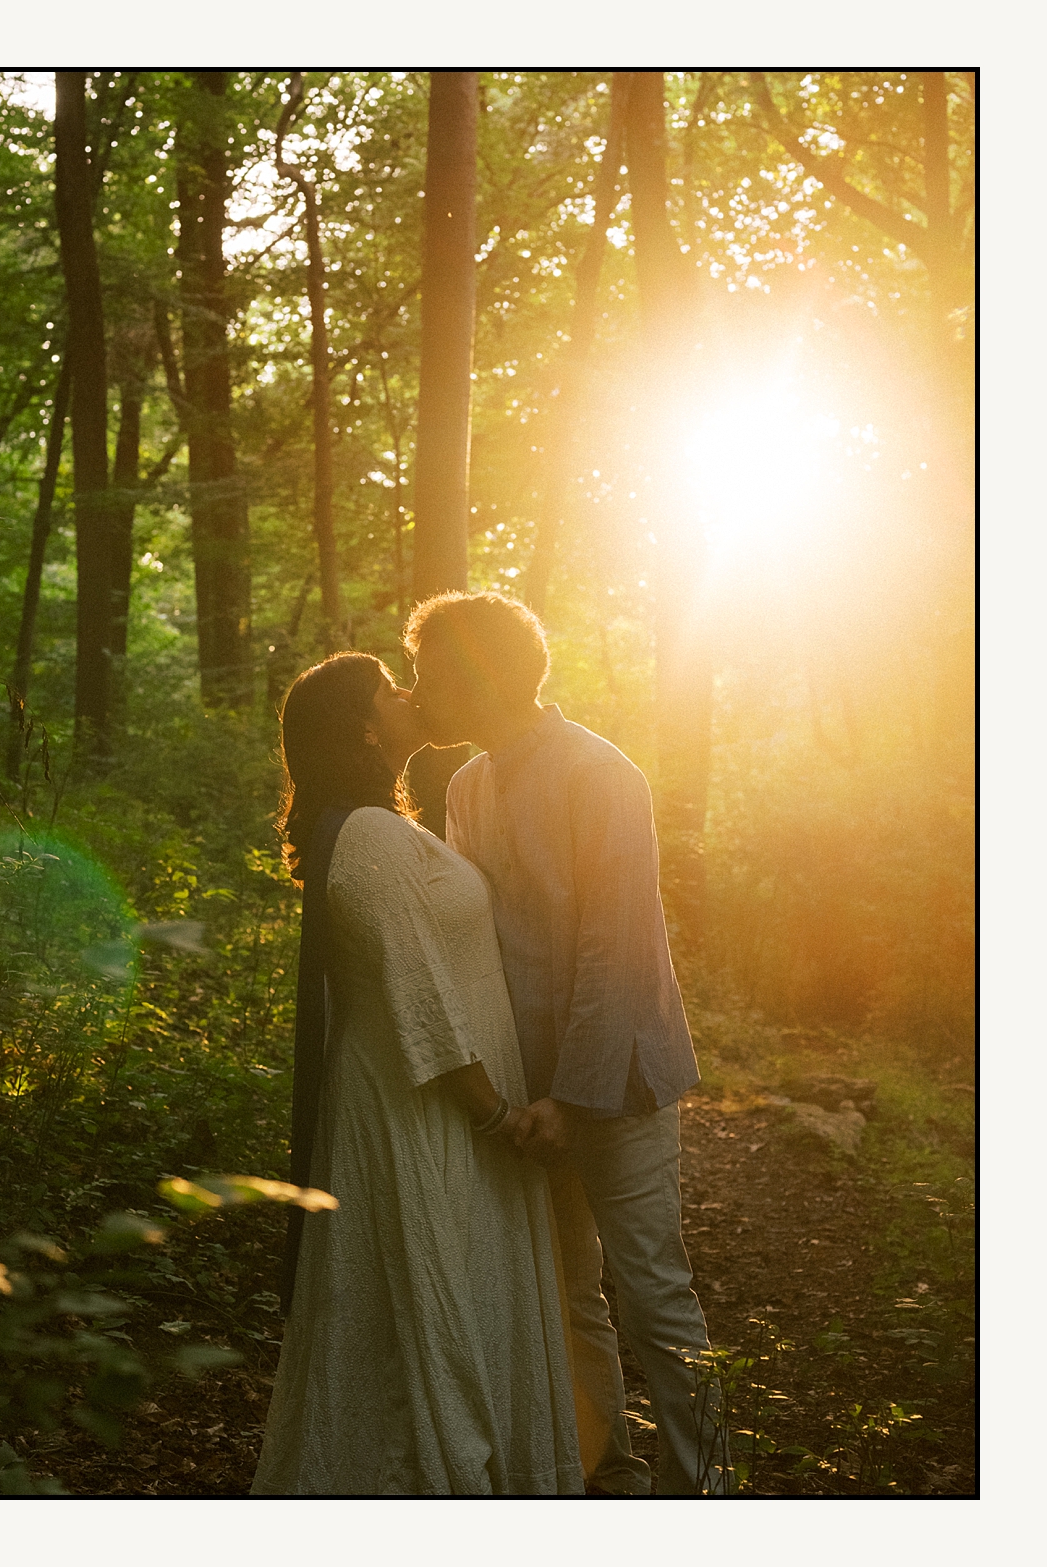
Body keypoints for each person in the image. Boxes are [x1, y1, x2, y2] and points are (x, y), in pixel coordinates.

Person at [406, 589, 720, 1496]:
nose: (421, 692)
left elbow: (613, 948)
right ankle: (604, 1473)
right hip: (527, 1097)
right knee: (567, 1294)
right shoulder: (466, 784)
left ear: (479, 676)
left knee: (654, 1293)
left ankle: (708, 1493)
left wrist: (570, 1099)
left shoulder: (602, 775)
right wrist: (512, 1094)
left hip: (614, 1085)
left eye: (432, 674)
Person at [252, 652, 580, 1496]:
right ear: (364, 727)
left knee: (449, 1294)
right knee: (425, 1304)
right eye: (390, 690)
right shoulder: (364, 836)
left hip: (443, 1103)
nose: (409, 692)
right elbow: (420, 998)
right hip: (420, 1108)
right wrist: (499, 1114)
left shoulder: (384, 828)